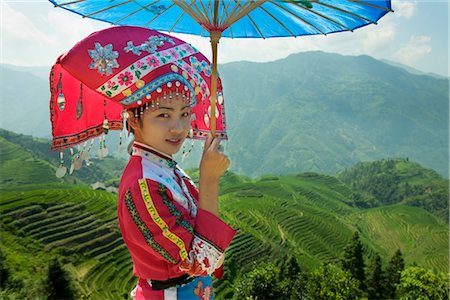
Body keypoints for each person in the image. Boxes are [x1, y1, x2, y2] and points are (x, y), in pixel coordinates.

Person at [49, 26, 236, 299]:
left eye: (184, 113)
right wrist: (209, 179)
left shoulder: (164, 166)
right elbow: (203, 261)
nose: (178, 127)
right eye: (163, 115)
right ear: (134, 120)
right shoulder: (144, 185)